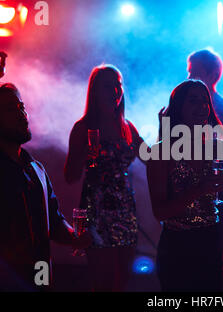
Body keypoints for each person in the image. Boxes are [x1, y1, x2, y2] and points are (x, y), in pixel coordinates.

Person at [0, 48, 91, 291]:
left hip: (40, 279)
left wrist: (77, 237)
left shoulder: (36, 169)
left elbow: (54, 223)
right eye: (12, 109)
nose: (23, 114)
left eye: (22, 106)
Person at [147, 75, 223, 291]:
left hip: (211, 244)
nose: (201, 106)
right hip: (177, 250)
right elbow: (160, 212)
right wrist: (199, 190)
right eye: (193, 100)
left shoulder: (215, 146)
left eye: (204, 101)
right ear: (178, 107)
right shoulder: (161, 152)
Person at [64, 64, 145, 291]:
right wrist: (88, 153)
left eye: (117, 85)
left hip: (125, 211)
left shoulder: (127, 127)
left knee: (122, 281)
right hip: (96, 212)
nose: (114, 91)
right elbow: (70, 176)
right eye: (107, 86)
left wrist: (166, 127)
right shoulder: (83, 128)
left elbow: (151, 158)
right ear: (95, 91)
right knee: (103, 283)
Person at [186, 50, 223, 286]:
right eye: (188, 70)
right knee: (188, 263)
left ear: (212, 74)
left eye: (194, 71)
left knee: (212, 262)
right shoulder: (180, 109)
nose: (189, 76)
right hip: (186, 193)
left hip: (218, 194)